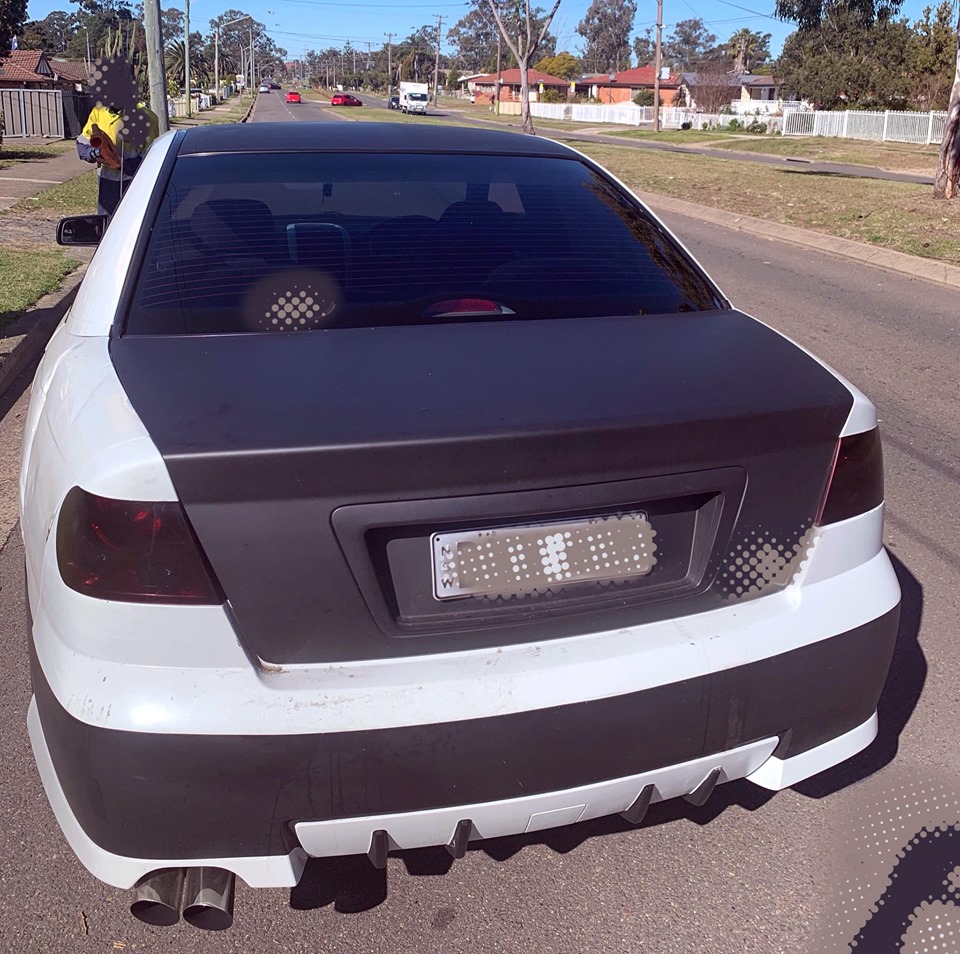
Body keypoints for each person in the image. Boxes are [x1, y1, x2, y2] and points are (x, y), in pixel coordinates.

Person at [77, 98, 159, 216]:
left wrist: (120, 163)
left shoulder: (147, 118)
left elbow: (150, 160)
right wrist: (95, 153)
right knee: (106, 226)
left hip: (134, 184)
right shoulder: (99, 112)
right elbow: (82, 144)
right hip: (106, 185)